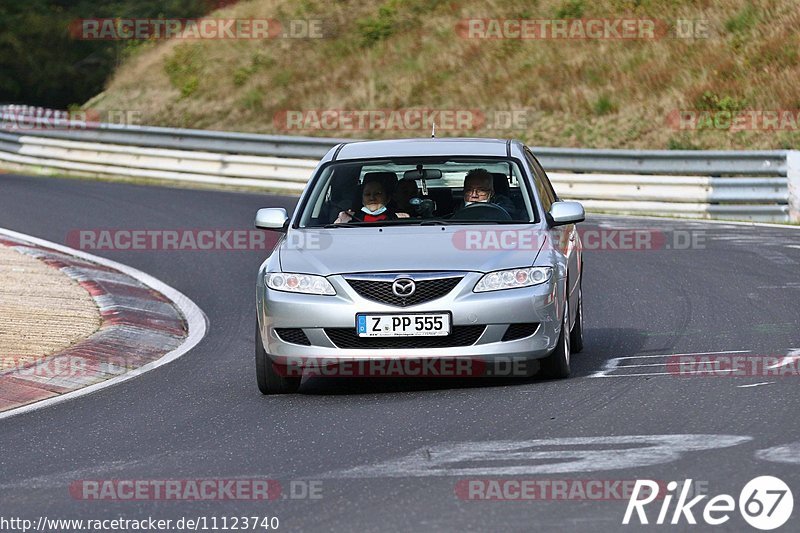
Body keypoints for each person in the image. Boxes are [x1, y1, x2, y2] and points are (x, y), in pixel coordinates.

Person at [335, 173, 406, 223]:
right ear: (362, 199)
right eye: (367, 194)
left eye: (378, 193)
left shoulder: (398, 219)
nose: (372, 198)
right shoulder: (349, 219)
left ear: (387, 198)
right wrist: (341, 222)